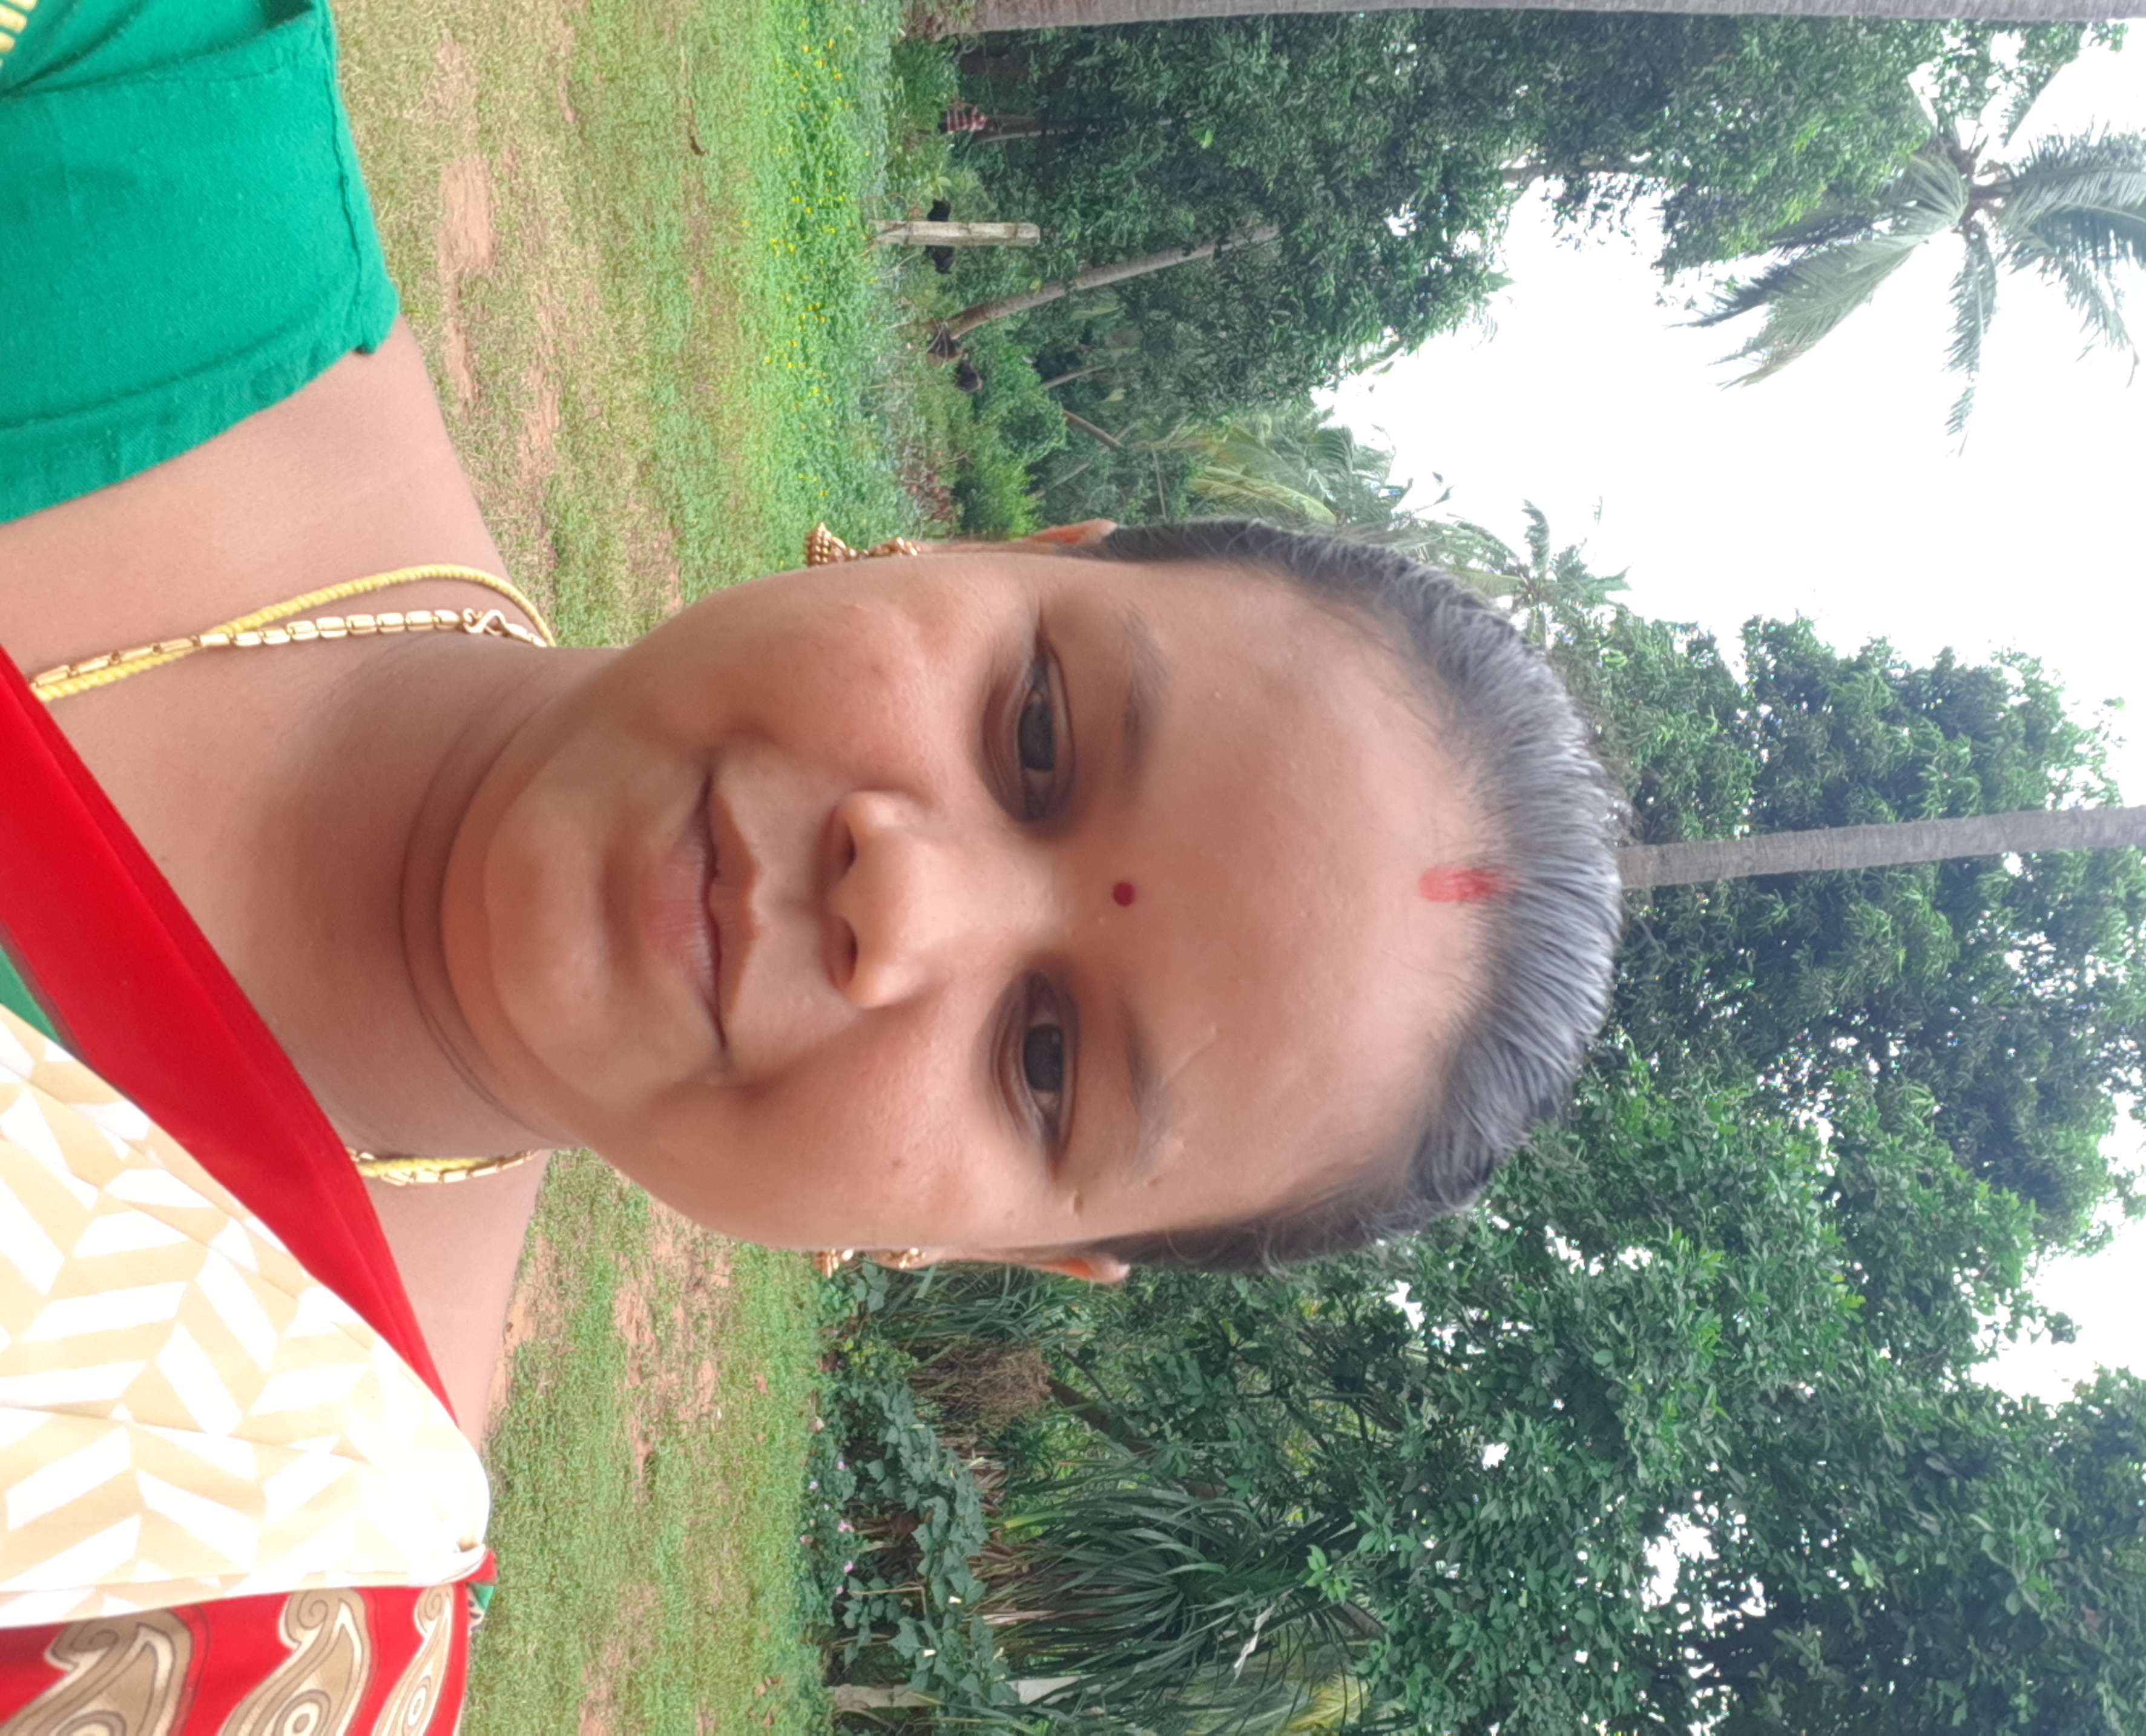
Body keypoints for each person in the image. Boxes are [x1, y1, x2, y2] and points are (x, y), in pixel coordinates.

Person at [0, 0, 1622, 1723]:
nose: (897, 903)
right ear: (993, 546)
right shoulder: (133, 74)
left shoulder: (230, 1605)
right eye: (1038, 736)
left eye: (1044, 1061)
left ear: (991, 1248)